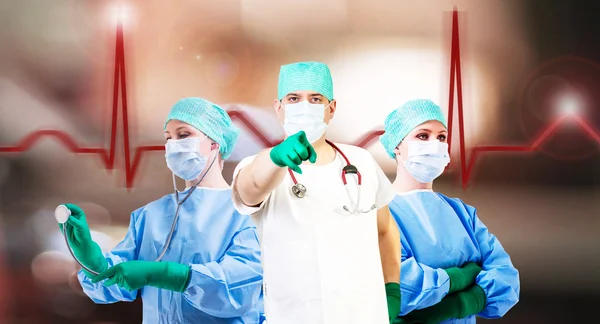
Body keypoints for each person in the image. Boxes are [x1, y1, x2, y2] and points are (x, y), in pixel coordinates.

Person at [59, 97, 264, 323]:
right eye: (168, 138)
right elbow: (114, 284)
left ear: (215, 143)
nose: (173, 144)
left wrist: (166, 275)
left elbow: (240, 287)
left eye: (183, 135)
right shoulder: (150, 215)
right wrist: (93, 262)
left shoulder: (245, 211)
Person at [231, 61, 401, 324]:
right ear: (279, 108)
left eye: (315, 98)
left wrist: (392, 290)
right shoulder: (261, 166)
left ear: (331, 108)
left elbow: (385, 229)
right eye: (294, 98)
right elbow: (249, 189)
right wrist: (277, 158)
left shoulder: (362, 162)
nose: (304, 106)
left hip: (365, 315)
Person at [379, 99, 520, 324]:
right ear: (397, 146)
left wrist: (459, 303)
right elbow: (399, 285)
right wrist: (464, 276)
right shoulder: (380, 212)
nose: (434, 144)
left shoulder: (462, 213)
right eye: (423, 136)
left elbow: (506, 278)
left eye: (441, 137)